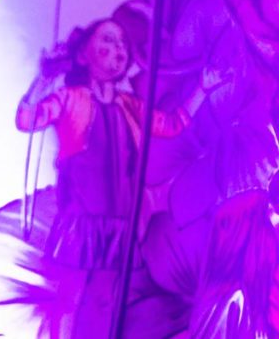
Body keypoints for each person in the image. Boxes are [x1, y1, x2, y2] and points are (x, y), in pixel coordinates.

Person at [16, 18, 219, 339]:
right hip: (82, 220)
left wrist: (202, 89)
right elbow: (27, 119)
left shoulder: (129, 105)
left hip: (118, 224)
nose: (118, 49)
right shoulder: (70, 99)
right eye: (108, 41)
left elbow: (170, 124)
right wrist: (43, 79)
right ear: (85, 55)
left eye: (122, 43)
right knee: (71, 296)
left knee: (107, 299)